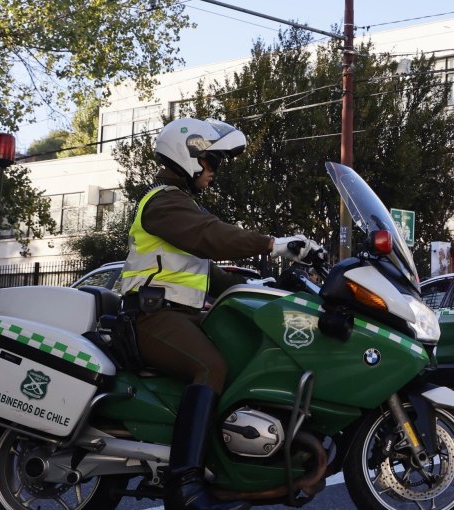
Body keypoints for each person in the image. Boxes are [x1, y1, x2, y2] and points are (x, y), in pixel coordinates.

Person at [119, 118, 319, 510]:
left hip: (177, 316)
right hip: (152, 317)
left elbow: (209, 272)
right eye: (213, 162)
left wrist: (265, 291)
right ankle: (185, 487)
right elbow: (213, 236)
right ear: (190, 156)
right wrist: (275, 245)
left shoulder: (179, 206)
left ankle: (223, 469)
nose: (215, 172)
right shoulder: (164, 202)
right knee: (210, 367)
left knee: (238, 360)